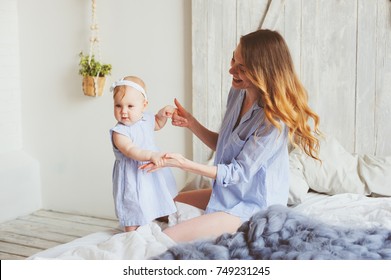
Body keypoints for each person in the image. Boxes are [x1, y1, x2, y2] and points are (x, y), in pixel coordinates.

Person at [141, 29, 321, 242]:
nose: (231, 70)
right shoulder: (238, 92)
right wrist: (191, 123)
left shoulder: (273, 122)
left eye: (241, 67)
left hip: (253, 206)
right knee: (159, 207)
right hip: (229, 193)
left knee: (165, 238)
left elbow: (238, 172)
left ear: (261, 72)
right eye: (233, 59)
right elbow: (226, 146)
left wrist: (183, 164)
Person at [109, 76, 178, 232]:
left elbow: (158, 123)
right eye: (118, 106)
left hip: (150, 170)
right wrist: (150, 155)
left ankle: (161, 219)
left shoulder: (146, 119)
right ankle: (131, 232)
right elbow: (131, 150)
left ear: (143, 105)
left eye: (130, 106)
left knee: (156, 194)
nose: (124, 111)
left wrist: (163, 113)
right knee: (133, 203)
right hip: (132, 174)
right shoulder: (119, 132)